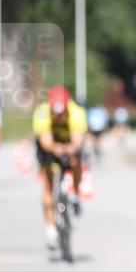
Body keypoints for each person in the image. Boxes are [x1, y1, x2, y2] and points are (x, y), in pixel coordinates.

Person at [32, 86, 87, 250]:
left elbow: (78, 141)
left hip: (70, 143)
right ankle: (50, 229)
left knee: (77, 162)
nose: (59, 116)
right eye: (56, 113)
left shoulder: (77, 113)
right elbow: (46, 142)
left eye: (62, 113)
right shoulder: (42, 113)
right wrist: (56, 149)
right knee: (49, 184)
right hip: (50, 147)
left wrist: (70, 149)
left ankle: (76, 195)